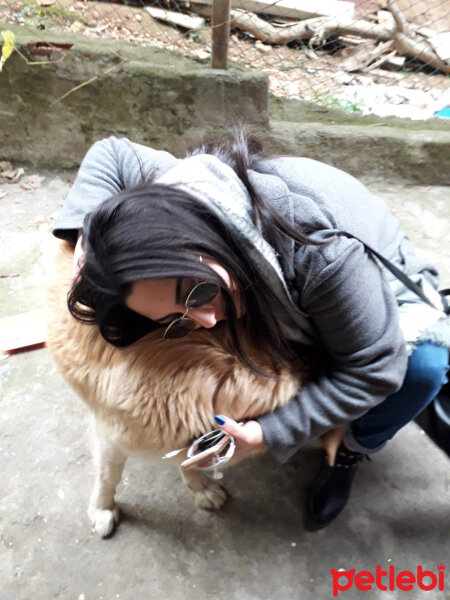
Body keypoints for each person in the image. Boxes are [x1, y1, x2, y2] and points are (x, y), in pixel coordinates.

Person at [53, 133, 450, 528]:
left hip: (379, 280)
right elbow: (112, 152)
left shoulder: (324, 259)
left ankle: (350, 451)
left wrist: (270, 432)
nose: (206, 321)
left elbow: (375, 370)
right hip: (290, 272)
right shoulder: (173, 202)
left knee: (423, 369)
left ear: (198, 236)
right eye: (178, 317)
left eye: (196, 291)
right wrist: (90, 232)